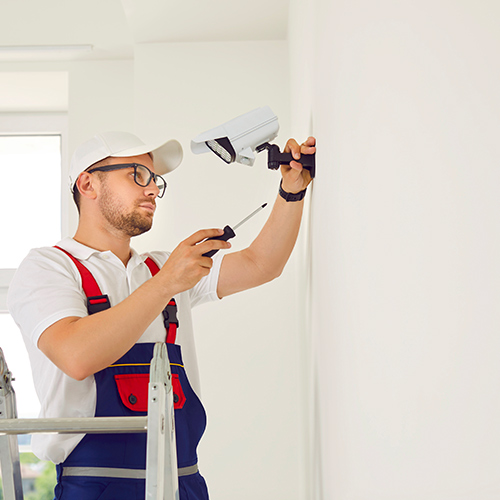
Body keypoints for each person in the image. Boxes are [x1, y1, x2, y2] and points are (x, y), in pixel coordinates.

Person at [7, 129, 316, 500]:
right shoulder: (49, 267)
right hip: (97, 487)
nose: (152, 189)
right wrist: (168, 283)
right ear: (88, 184)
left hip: (182, 482)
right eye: (137, 174)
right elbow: (76, 355)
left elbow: (260, 264)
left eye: (155, 180)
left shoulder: (160, 268)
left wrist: (292, 190)